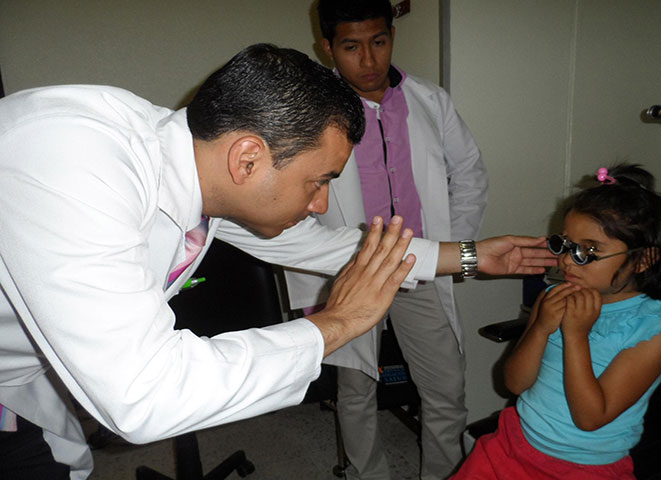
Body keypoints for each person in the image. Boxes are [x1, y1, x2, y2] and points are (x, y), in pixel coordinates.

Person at [0, 43, 554, 479]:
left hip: (24, 384)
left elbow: (325, 245)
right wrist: (337, 323)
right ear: (248, 158)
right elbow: (145, 395)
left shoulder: (196, 166)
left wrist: (471, 256)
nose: (321, 205)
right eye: (318, 182)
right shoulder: (71, 163)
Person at [285, 1, 486, 478]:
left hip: (418, 265)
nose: (369, 60)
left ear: (392, 36)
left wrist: (453, 248)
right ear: (328, 47)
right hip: (349, 269)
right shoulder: (309, 109)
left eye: (378, 42)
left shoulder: (429, 100)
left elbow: (469, 173)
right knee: (356, 390)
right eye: (351, 47)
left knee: (447, 387)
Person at [451, 164, 661, 480]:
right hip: (515, 443)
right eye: (565, 245)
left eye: (589, 250)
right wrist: (541, 328)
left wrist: (575, 336)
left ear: (643, 260)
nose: (566, 260)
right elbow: (514, 384)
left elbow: (590, 418)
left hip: (584, 466)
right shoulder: (554, 297)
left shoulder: (654, 331)